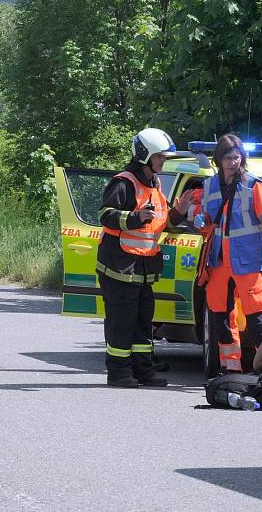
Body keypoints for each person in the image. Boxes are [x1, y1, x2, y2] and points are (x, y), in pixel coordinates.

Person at [97, 127, 191, 388]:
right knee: (121, 324)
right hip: (120, 269)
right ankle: (118, 372)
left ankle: (142, 370)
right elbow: (105, 216)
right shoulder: (124, 183)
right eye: (160, 156)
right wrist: (134, 218)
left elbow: (159, 223)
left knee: (142, 325)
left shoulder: (155, 184)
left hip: (142, 271)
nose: (164, 161)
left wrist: (179, 214)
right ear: (145, 156)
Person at [194, 133, 262, 372]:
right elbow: (207, 221)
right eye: (228, 158)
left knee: (257, 319)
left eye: (236, 158)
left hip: (246, 261)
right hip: (218, 262)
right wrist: (200, 221)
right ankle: (231, 369)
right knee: (220, 318)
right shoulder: (209, 185)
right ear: (219, 159)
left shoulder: (253, 185)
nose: (233, 162)